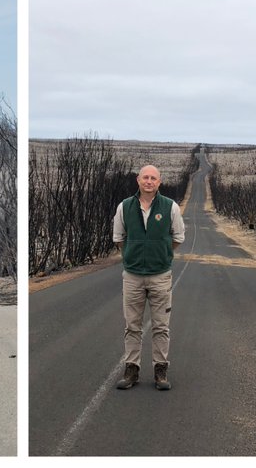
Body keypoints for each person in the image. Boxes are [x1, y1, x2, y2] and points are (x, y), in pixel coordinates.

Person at [113, 165, 185, 391]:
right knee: (132, 326)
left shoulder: (170, 207)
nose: (149, 181)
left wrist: (161, 254)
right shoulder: (125, 206)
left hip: (160, 276)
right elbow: (119, 238)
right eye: (145, 177)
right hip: (132, 276)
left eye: (153, 178)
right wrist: (132, 255)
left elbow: (178, 237)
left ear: (159, 182)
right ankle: (131, 370)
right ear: (138, 180)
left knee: (161, 326)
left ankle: (160, 371)